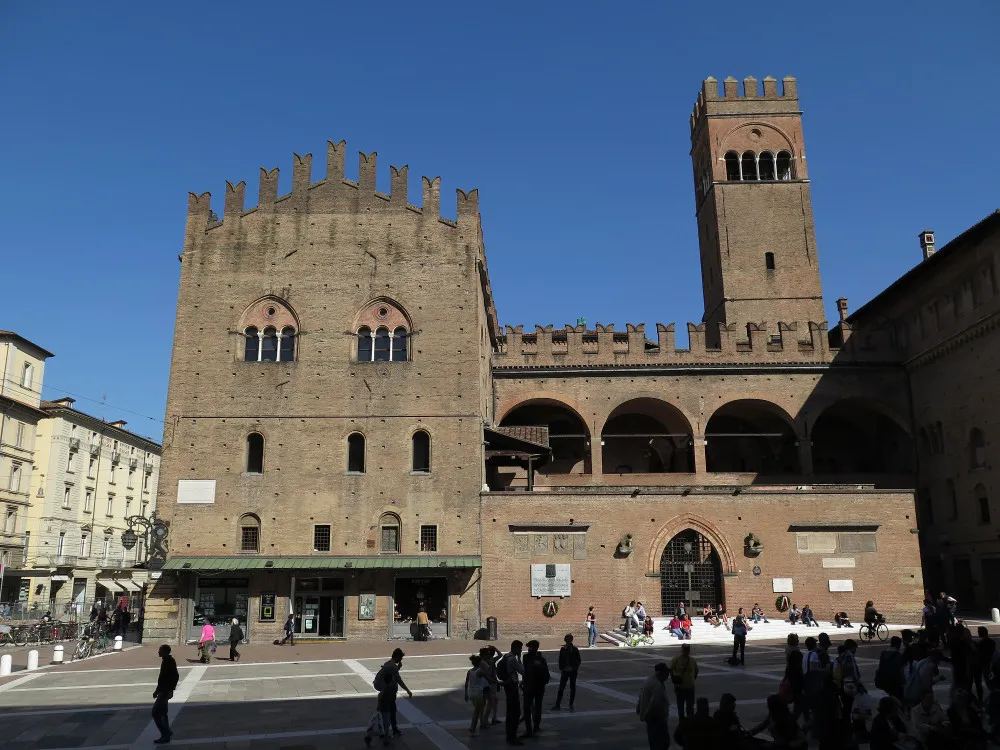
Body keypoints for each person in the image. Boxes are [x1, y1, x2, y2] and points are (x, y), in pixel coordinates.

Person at [364, 648, 412, 747]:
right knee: (385, 717)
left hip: (386, 696)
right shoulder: (392, 667)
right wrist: (408, 690)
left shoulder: (388, 664)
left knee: (387, 714)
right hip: (387, 696)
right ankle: (381, 737)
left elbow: (390, 676)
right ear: (397, 656)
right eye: (401, 658)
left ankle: (394, 730)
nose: (401, 660)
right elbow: (399, 680)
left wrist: (398, 668)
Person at [637, 662, 670, 750]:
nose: (668, 675)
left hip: (651, 718)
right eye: (666, 673)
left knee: (653, 741)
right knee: (661, 742)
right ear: (660, 673)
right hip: (657, 718)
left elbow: (641, 695)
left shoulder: (648, 680)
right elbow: (655, 704)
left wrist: (639, 708)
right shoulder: (657, 685)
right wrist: (647, 714)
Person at [521, 640, 549, 737]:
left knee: (537, 707)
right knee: (527, 708)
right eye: (529, 647)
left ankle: (536, 726)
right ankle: (529, 729)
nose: (529, 649)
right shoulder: (526, 658)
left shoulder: (541, 659)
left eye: (531, 647)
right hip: (528, 687)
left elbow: (545, 673)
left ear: (536, 648)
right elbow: (525, 671)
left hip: (538, 687)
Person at [152, 644, 179, 745]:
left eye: (160, 650)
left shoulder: (168, 661)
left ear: (165, 651)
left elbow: (173, 676)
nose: (158, 652)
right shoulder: (166, 660)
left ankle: (165, 734)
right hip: (164, 690)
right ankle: (167, 732)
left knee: (155, 713)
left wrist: (169, 690)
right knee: (163, 713)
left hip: (165, 691)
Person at [499, 640, 525, 746]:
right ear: (516, 648)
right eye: (520, 648)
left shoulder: (506, 656)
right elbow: (522, 671)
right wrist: (519, 658)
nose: (521, 650)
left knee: (510, 712)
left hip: (507, 685)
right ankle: (512, 736)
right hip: (512, 686)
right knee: (515, 712)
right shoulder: (513, 659)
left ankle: (509, 735)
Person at [669, 642, 698, 720]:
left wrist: (692, 679)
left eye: (687, 650)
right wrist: (673, 679)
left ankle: (690, 721)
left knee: (690, 706)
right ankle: (682, 721)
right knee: (680, 705)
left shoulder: (692, 660)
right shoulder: (676, 659)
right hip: (679, 686)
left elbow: (696, 671)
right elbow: (670, 669)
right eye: (685, 649)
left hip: (690, 687)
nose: (686, 651)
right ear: (681, 650)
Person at [552, 633, 580, 711]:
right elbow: (560, 660)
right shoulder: (563, 649)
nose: (568, 641)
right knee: (561, 687)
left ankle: (571, 704)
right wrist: (563, 668)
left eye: (569, 640)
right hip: (565, 671)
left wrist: (573, 668)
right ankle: (558, 704)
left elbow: (578, 660)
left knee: (572, 687)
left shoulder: (575, 649)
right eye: (567, 640)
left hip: (572, 671)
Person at [874, 636, 904, 702]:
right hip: (894, 681)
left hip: (883, 680)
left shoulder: (883, 653)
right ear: (898, 645)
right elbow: (900, 670)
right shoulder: (898, 655)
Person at [464, 654, 487, 737]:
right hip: (478, 692)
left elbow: (466, 683)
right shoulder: (480, 671)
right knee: (477, 711)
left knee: (478, 709)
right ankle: (472, 727)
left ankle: (481, 723)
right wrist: (498, 682)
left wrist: (466, 693)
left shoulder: (469, 671)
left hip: (471, 692)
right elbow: (488, 677)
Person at [479, 645, 501, 727]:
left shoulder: (485, 661)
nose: (489, 655)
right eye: (487, 654)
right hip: (487, 684)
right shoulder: (485, 662)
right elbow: (488, 674)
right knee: (489, 702)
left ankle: (485, 720)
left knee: (488, 702)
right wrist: (495, 681)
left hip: (488, 683)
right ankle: (485, 720)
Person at [784, 633, 804, 719]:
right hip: (795, 674)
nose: (798, 641)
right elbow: (798, 664)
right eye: (797, 639)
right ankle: (795, 716)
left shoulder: (788, 649)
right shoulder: (795, 651)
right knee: (798, 697)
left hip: (789, 671)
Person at [975, 625, 996, 702]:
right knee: (992, 680)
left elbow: (979, 655)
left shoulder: (980, 644)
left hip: (984, 664)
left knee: (988, 681)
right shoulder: (992, 642)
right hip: (991, 663)